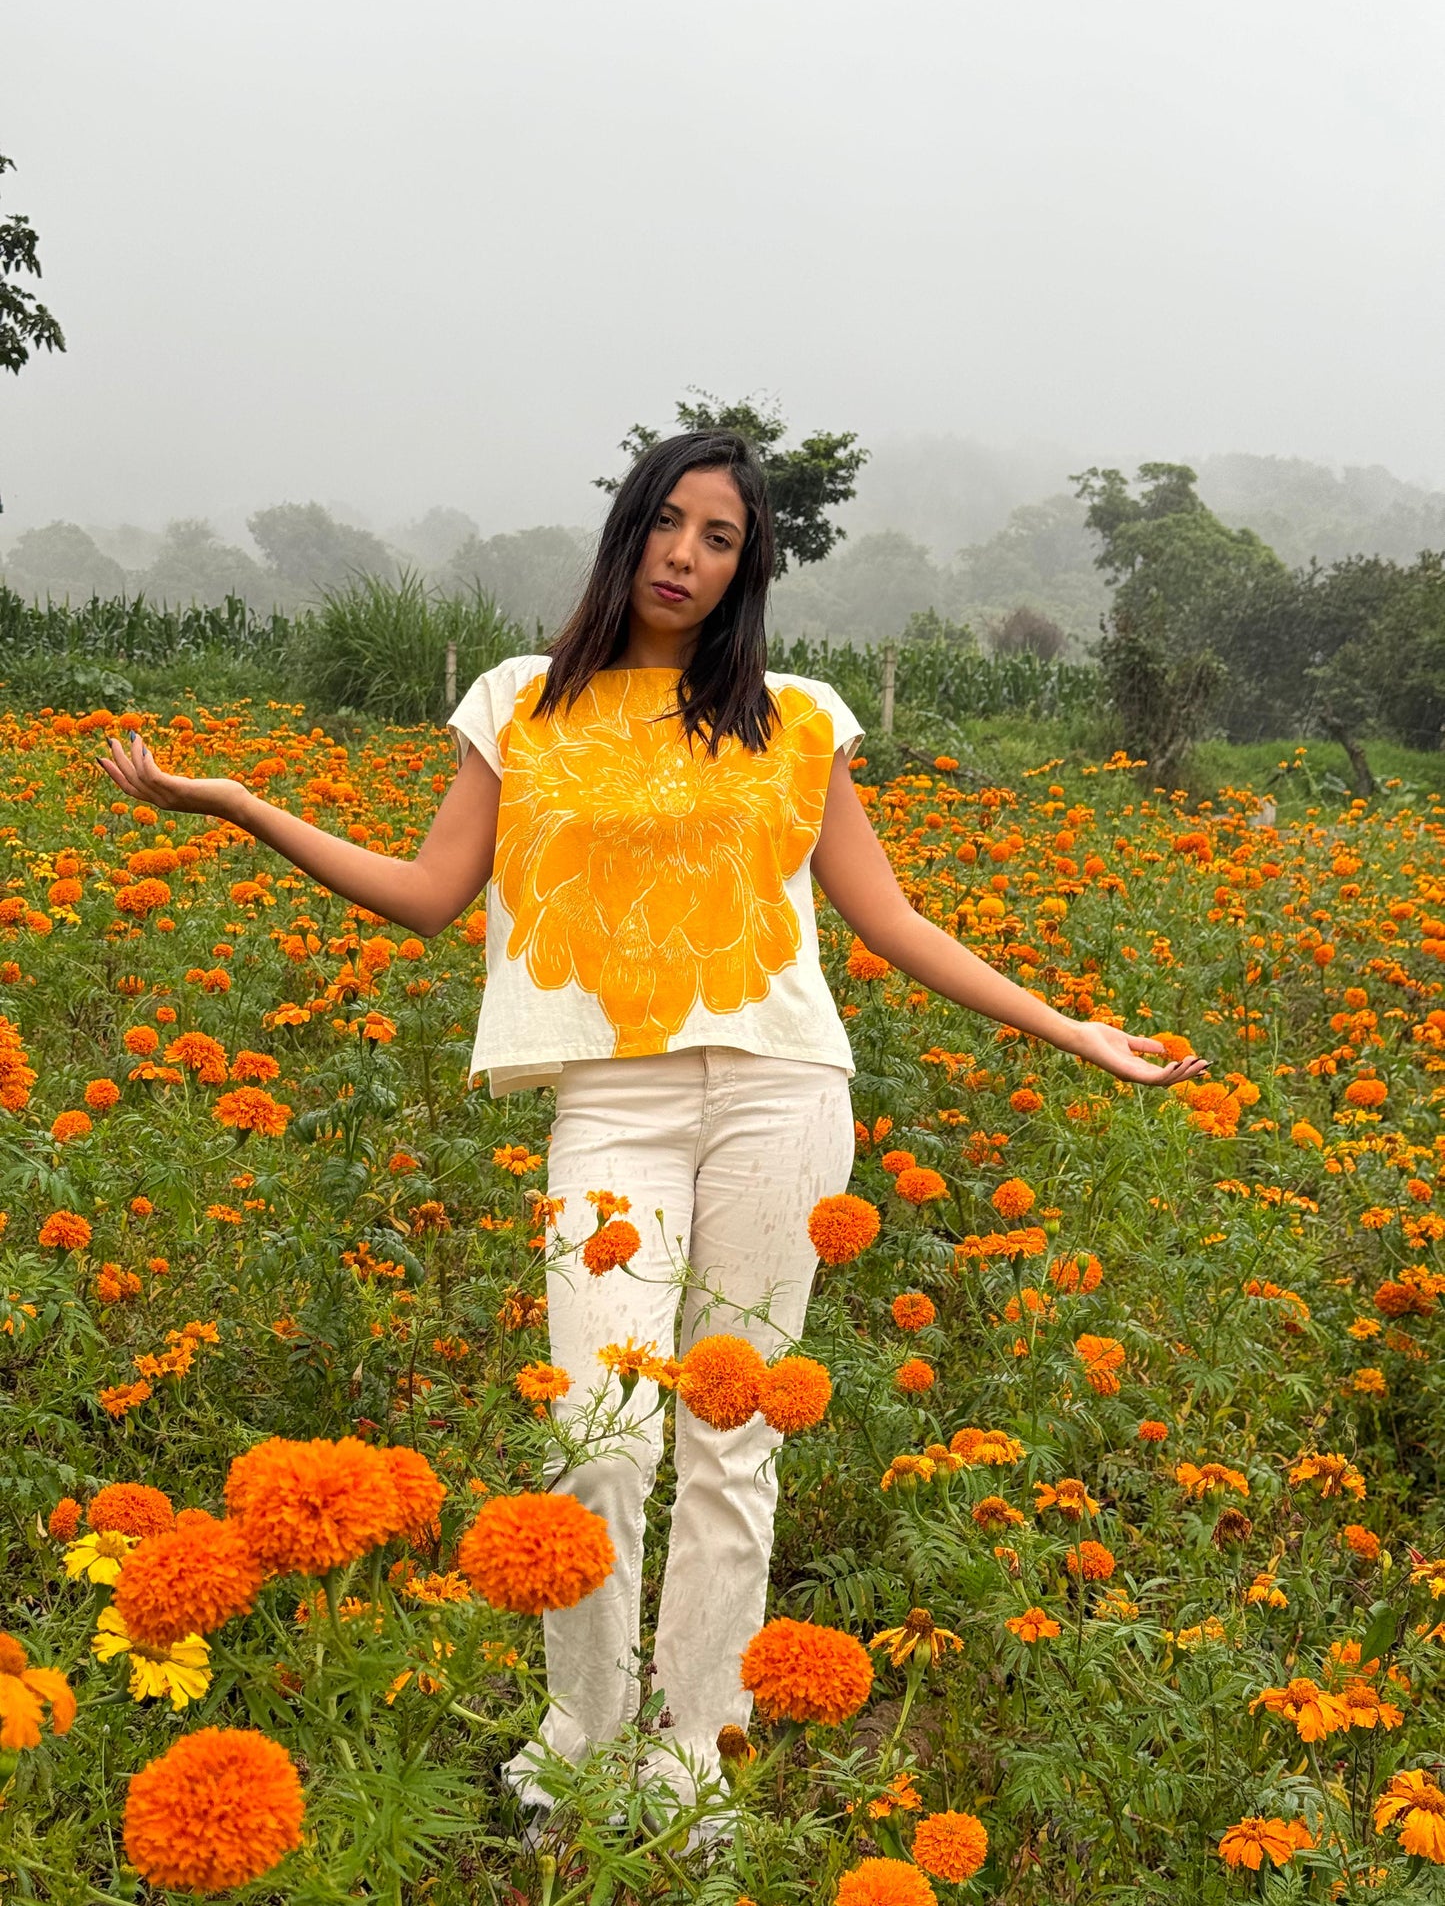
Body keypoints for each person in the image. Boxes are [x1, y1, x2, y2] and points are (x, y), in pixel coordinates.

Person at [96, 428, 1209, 1843]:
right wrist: (240, 804)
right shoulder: (517, 704)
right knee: (597, 1436)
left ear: (747, 568)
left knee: (730, 1442)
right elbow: (431, 894)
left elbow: (892, 920)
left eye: (720, 538)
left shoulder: (793, 716)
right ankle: (580, 1744)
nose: (686, 555)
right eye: (668, 524)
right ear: (627, 531)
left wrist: (1076, 1030)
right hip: (605, 1105)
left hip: (777, 1094)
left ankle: (693, 1762)